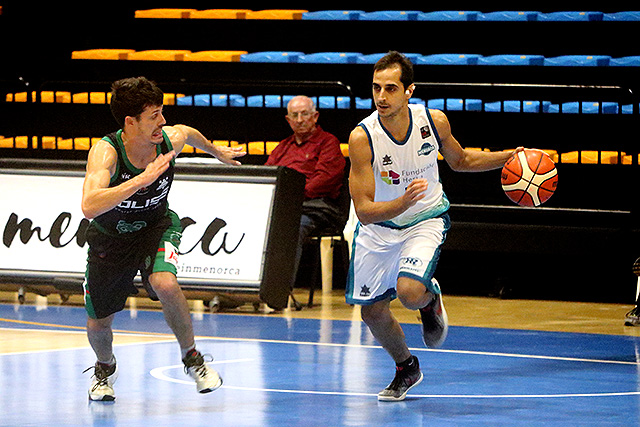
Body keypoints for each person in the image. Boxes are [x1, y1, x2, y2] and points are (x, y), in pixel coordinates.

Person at [346, 51, 524, 401]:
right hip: (379, 228)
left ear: (409, 90)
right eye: (376, 88)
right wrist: (401, 202)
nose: (381, 97)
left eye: (391, 88)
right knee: (372, 312)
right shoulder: (362, 137)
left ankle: (429, 301)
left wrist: (509, 156)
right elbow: (364, 211)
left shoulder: (433, 120)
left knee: (409, 292)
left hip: (425, 219)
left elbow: (461, 160)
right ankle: (406, 367)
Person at [80, 76, 245, 401]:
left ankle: (192, 359)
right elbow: (89, 205)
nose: (163, 121)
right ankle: (104, 367)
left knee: (166, 284)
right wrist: (142, 179)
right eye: (153, 115)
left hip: (156, 225)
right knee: (99, 324)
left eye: (161, 111)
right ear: (130, 122)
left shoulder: (169, 139)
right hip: (110, 239)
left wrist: (215, 151)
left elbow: (187, 132)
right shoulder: (106, 153)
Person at [265, 95, 346, 283]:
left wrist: (292, 196)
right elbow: (269, 173)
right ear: (288, 120)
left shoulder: (328, 142)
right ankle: (240, 290)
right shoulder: (283, 146)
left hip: (315, 207)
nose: (300, 120)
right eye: (295, 115)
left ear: (315, 116)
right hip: (283, 205)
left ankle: (279, 290)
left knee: (292, 225)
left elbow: (325, 179)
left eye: (305, 114)